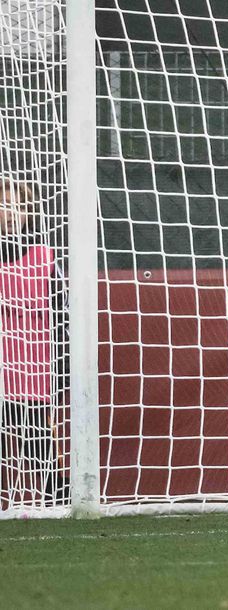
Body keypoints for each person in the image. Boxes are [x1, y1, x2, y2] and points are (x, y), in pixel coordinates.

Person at [0, 177, 65, 510]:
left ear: (28, 213)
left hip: (34, 366)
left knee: (38, 436)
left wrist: (62, 368)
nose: (10, 214)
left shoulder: (45, 257)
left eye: (17, 207)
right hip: (3, 362)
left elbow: (61, 313)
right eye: (3, 206)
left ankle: (58, 496)